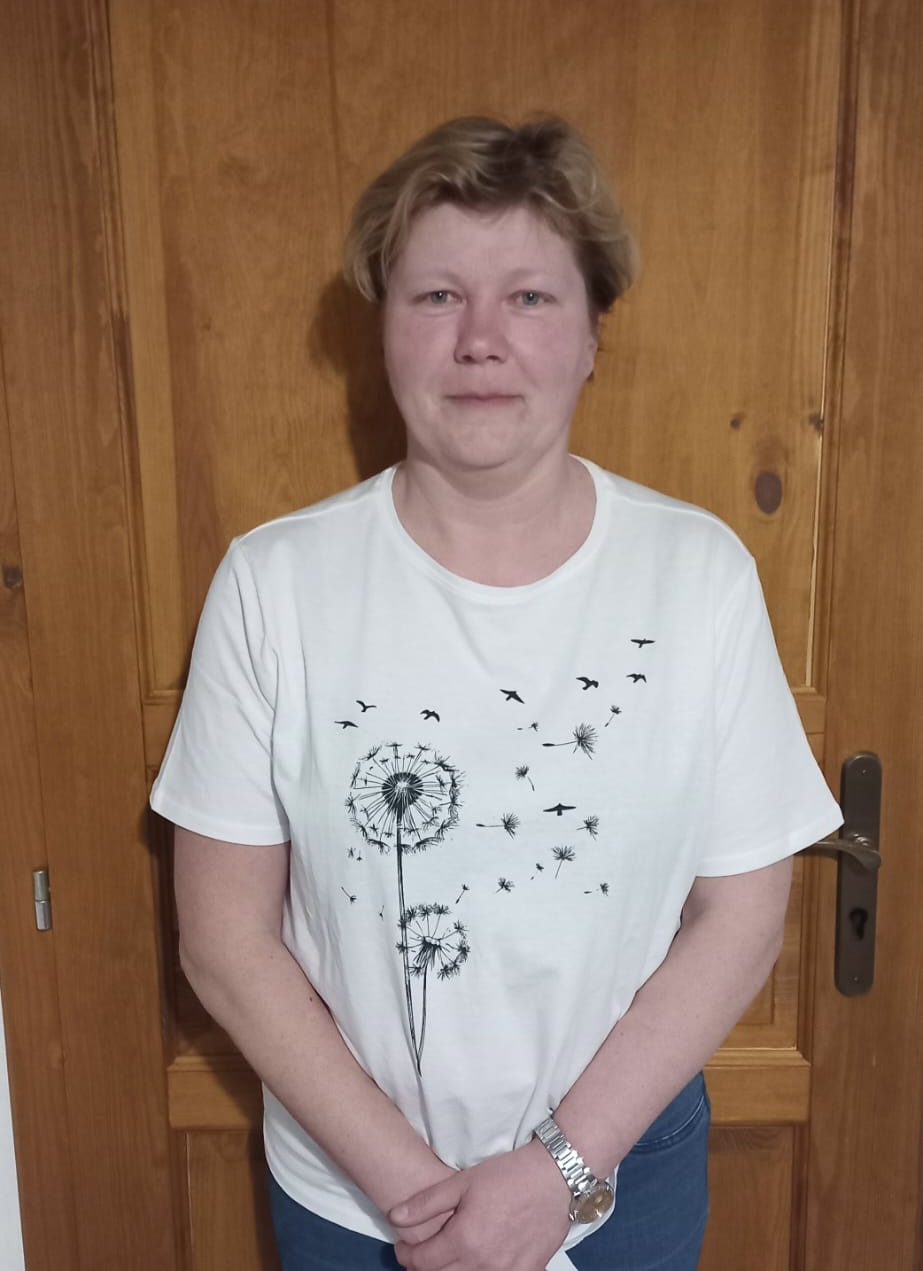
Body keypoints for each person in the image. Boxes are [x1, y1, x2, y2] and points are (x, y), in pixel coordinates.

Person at [150, 115, 842, 1271]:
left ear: (590, 334)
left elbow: (740, 914)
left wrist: (559, 1170)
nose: (479, 340)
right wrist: (420, 1196)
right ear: (384, 326)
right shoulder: (275, 583)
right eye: (435, 297)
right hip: (356, 1197)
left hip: (622, 1178)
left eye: (528, 297)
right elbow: (223, 937)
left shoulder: (697, 574)